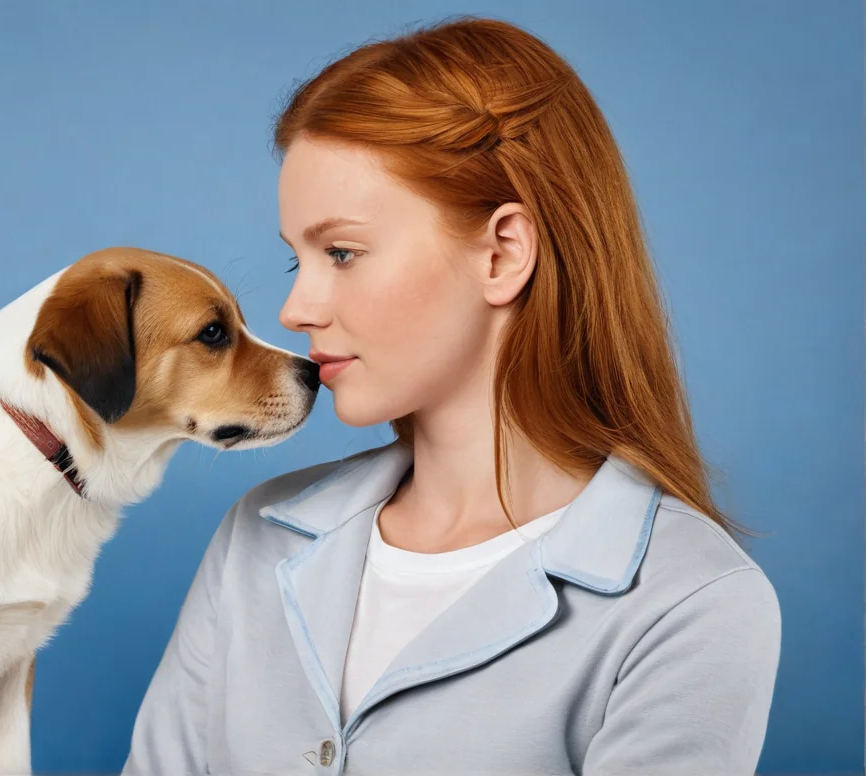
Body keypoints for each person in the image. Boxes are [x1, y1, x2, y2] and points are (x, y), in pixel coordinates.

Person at [122, 15, 781, 776]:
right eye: (296, 260)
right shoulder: (257, 538)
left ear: (503, 253)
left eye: (342, 252)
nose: (296, 310)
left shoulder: (690, 602)